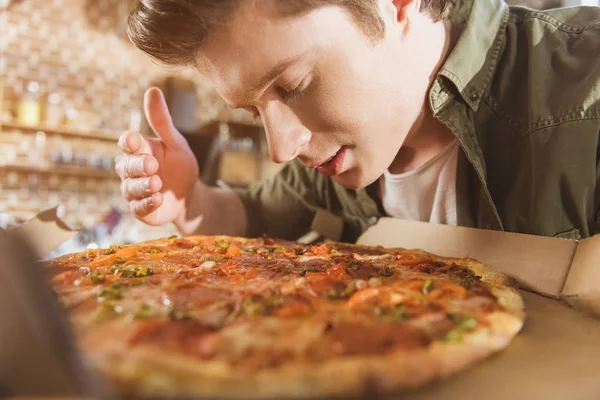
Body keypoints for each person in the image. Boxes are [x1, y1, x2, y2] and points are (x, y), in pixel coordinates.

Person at [116, 0, 600, 243]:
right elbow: (252, 216)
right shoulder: (339, 161)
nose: (282, 148)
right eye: (254, 110)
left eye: (294, 85)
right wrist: (186, 200)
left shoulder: (586, 85)